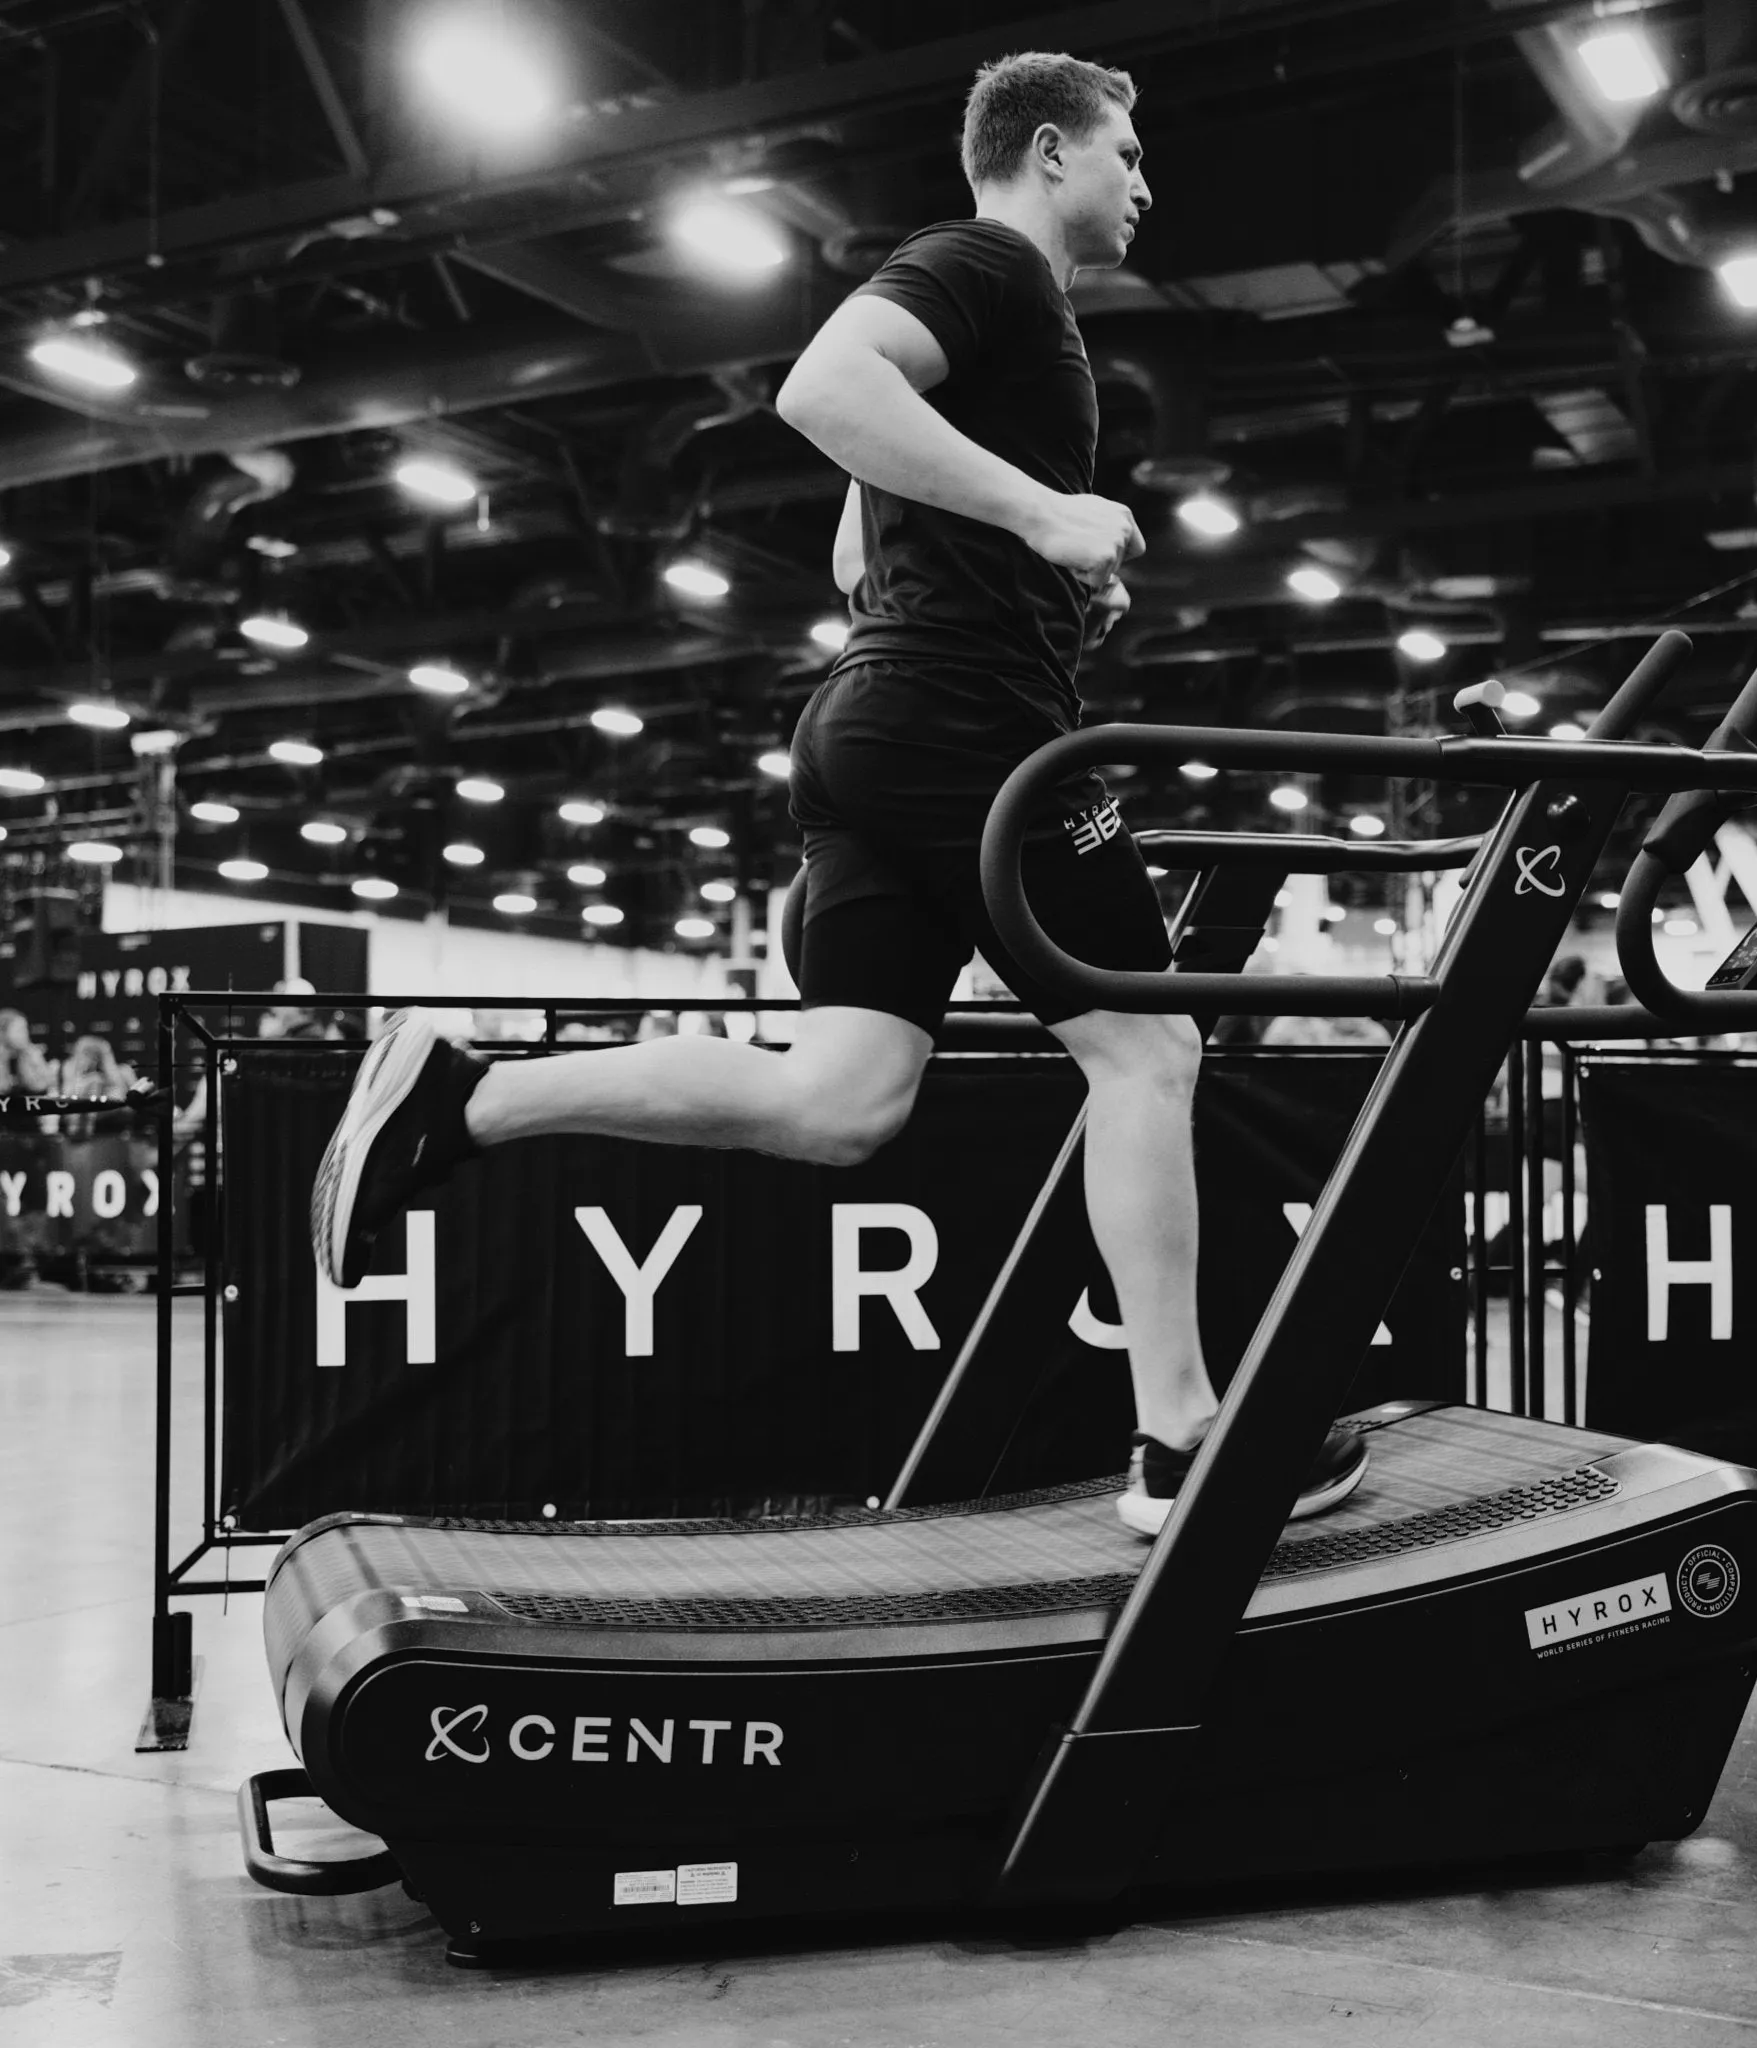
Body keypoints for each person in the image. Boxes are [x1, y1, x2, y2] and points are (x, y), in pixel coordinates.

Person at [310, 51, 1366, 1540]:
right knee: (1150, 1049)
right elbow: (820, 388)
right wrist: (1042, 514)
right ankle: (1182, 1440)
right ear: (1048, 151)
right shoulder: (991, 265)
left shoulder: (998, 323)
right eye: (1126, 153)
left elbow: (852, 556)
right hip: (962, 725)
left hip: (879, 722)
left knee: (841, 1103)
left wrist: (1037, 567)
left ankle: (462, 1099)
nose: (1145, 182)